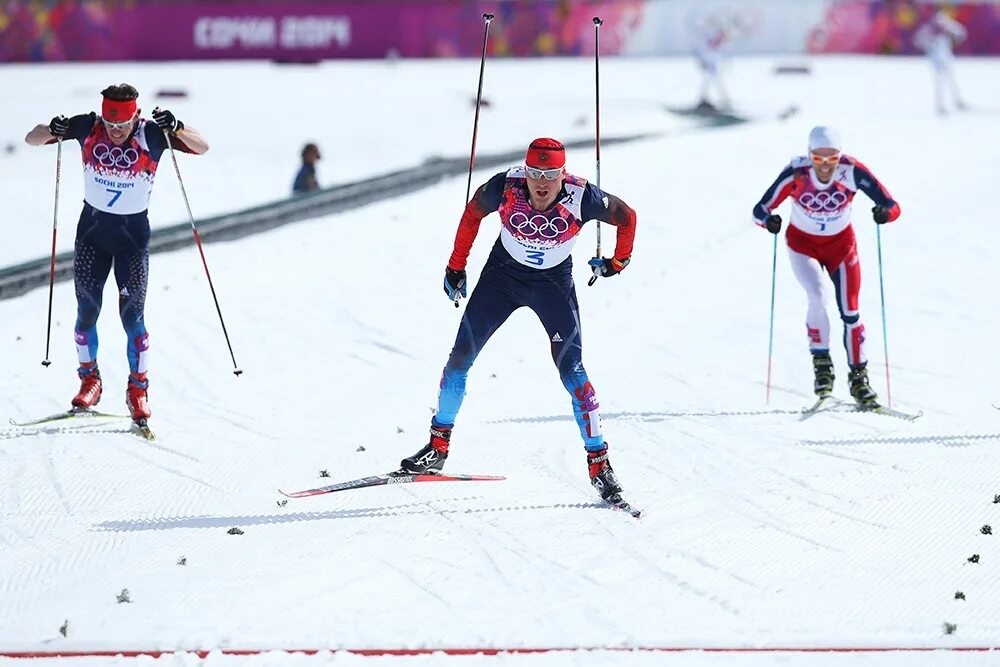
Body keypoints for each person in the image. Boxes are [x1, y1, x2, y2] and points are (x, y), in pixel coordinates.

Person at [399, 138, 638, 503]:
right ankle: (437, 448)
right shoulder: (505, 186)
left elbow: (627, 217)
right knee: (459, 360)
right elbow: (472, 214)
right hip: (502, 279)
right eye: (535, 173)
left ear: (563, 173)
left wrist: (617, 262)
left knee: (572, 372)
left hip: (552, 287)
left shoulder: (582, 195)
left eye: (551, 174)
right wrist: (456, 265)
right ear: (525, 170)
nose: (542, 182)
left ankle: (599, 464)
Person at [24, 83, 209, 425]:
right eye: (111, 125)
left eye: (122, 125)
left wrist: (178, 127)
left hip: (131, 240)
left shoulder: (150, 134)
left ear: (134, 116)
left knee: (133, 321)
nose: (116, 132)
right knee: (86, 314)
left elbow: (203, 146)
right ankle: (89, 380)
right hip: (92, 236)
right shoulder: (88, 126)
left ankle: (138, 390)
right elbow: (31, 139)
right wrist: (54, 128)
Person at [752, 126, 900, 408]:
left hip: (841, 247)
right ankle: (823, 369)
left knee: (851, 311)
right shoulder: (796, 174)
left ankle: (859, 379)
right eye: (818, 159)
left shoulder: (853, 172)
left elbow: (892, 205)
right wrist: (768, 221)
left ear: (839, 157)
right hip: (802, 245)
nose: (824, 166)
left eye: (831, 159)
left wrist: (884, 213)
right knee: (818, 295)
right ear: (809, 156)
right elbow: (760, 208)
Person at [914, 9, 968, 115]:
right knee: (940, 81)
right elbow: (918, 41)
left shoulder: (943, 23)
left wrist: (954, 38)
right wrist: (928, 44)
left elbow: (960, 32)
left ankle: (955, 101)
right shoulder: (928, 27)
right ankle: (942, 105)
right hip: (936, 57)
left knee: (949, 79)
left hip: (944, 55)